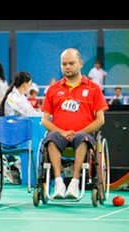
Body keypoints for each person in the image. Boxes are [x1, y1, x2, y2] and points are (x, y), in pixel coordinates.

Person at [41, 48, 107, 199]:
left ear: (81, 63)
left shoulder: (93, 88)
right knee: (50, 138)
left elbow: (100, 120)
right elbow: (44, 120)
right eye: (64, 64)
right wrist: (62, 132)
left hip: (82, 135)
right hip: (60, 134)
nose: (67, 67)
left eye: (71, 63)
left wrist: (79, 132)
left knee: (82, 138)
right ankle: (58, 183)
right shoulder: (53, 89)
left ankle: (75, 183)